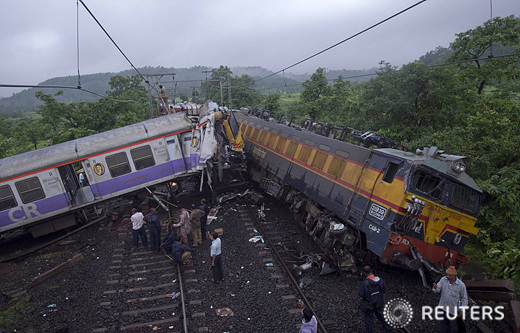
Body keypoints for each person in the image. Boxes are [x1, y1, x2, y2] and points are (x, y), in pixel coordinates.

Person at [433, 266, 468, 333]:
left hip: (453, 310)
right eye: (447, 275)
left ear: (454, 275)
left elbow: (464, 298)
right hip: (444, 307)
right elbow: (437, 290)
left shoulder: (461, 285)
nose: (447, 276)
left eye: (449, 275)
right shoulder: (443, 280)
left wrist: (461, 309)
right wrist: (435, 287)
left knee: (453, 327)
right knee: (444, 325)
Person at [358, 265, 392, 333]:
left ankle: (370, 331)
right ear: (372, 271)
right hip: (379, 302)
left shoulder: (365, 283)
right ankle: (388, 327)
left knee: (368, 318)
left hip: (369, 304)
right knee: (381, 314)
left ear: (365, 273)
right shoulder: (380, 280)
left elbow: (361, 294)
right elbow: (384, 290)